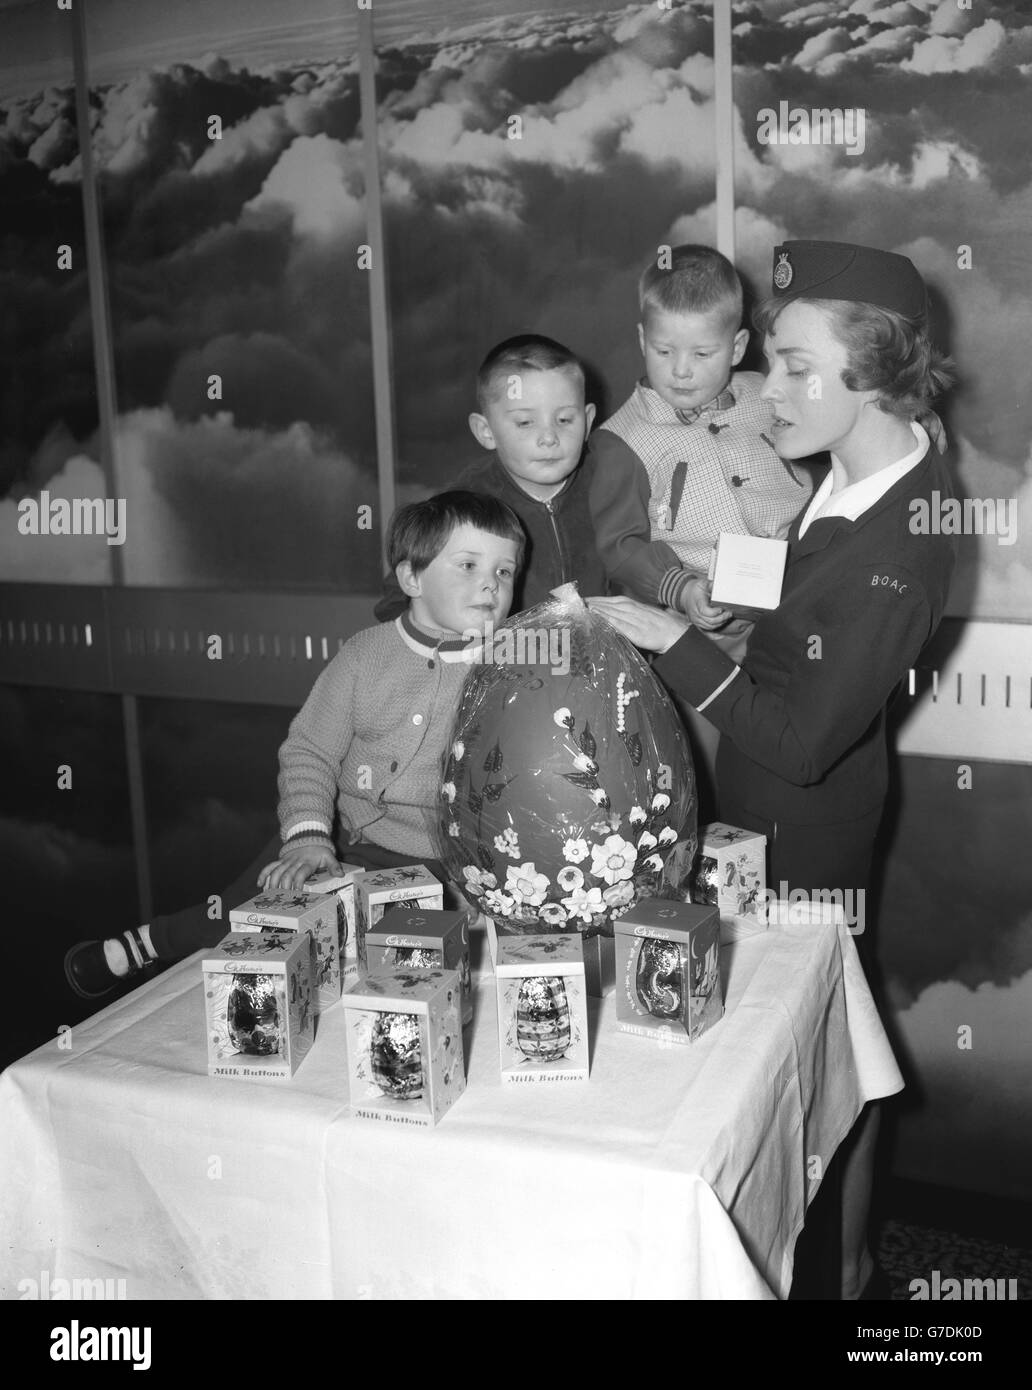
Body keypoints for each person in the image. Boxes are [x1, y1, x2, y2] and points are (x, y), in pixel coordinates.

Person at [590, 240, 958, 1300]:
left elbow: (802, 742)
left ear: (877, 373)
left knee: (821, 1075)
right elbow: (801, 587)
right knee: (791, 1059)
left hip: (808, 823)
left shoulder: (901, 545)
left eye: (799, 367)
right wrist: (700, 581)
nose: (773, 389)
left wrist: (674, 642)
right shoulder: (858, 469)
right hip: (762, 809)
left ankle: (840, 1281)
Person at [65, 491, 524, 999]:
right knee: (247, 912)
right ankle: (147, 942)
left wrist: (482, 869)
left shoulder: (508, 669)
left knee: (411, 977)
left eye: (505, 572)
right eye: (468, 565)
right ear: (412, 578)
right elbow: (310, 751)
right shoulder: (362, 658)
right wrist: (308, 836)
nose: (490, 583)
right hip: (344, 837)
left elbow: (510, 782)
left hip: (441, 863)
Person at [587, 244, 816, 805]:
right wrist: (683, 589)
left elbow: (830, 435)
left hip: (793, 614)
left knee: (790, 760)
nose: (681, 370)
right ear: (642, 340)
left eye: (703, 352)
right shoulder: (623, 440)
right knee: (709, 776)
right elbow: (621, 546)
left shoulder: (768, 396)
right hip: (695, 633)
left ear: (738, 346)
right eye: (663, 350)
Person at [375, 335, 606, 622]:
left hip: (604, 659)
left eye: (564, 420)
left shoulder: (611, 484)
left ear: (587, 422)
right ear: (486, 431)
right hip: (506, 661)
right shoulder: (464, 504)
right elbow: (399, 598)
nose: (549, 438)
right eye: (525, 422)